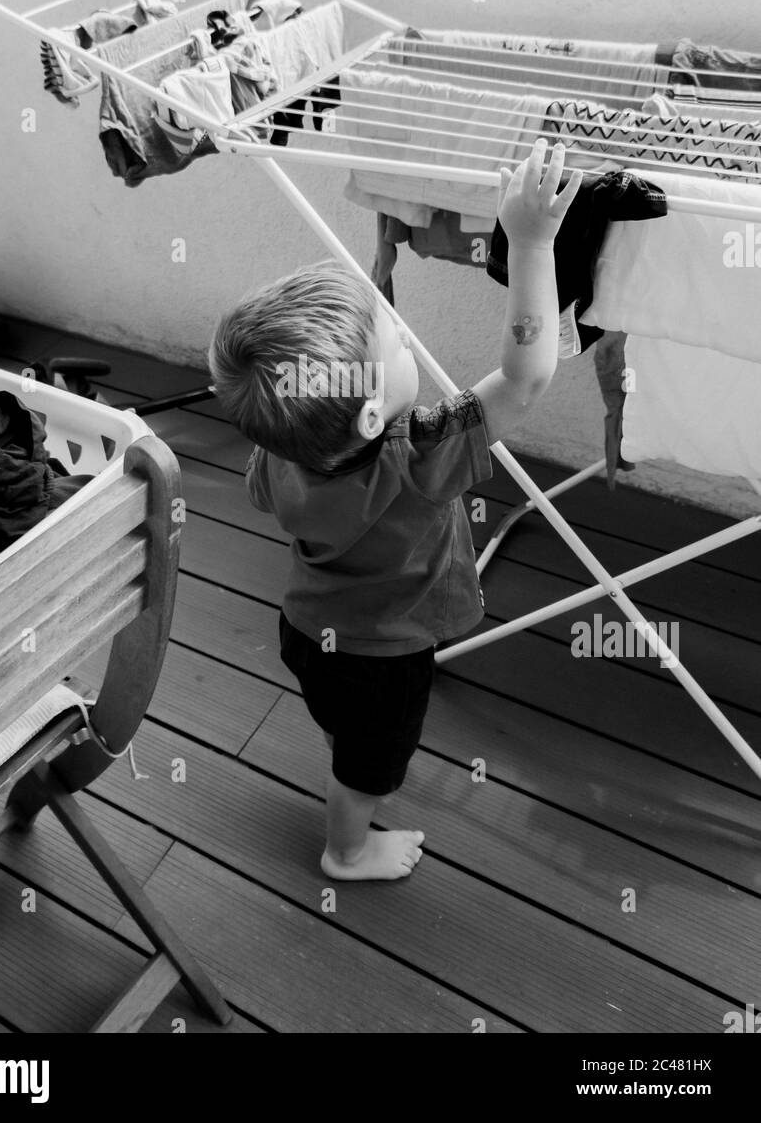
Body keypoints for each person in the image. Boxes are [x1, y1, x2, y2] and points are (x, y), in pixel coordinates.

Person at [209, 139, 579, 880]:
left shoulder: (282, 451)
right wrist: (533, 242)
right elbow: (527, 374)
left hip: (308, 632)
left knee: (346, 727)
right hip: (383, 656)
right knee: (367, 767)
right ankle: (346, 849)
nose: (406, 332)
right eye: (398, 338)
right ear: (375, 414)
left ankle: (347, 756)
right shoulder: (418, 460)